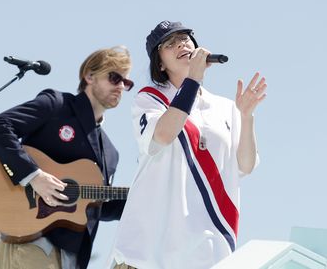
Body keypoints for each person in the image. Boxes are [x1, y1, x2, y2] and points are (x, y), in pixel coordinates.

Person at [108, 21, 267, 269]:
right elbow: (162, 135)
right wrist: (193, 79)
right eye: (170, 43)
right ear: (160, 63)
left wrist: (246, 117)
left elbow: (245, 166)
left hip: (206, 256)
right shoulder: (150, 98)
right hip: (146, 255)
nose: (181, 44)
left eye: (185, 38)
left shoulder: (226, 107)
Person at [0, 46, 134, 269]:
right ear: (89, 76)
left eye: (126, 83)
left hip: (72, 254)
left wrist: (141, 200)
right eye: (114, 78)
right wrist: (35, 176)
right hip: (30, 239)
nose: (121, 86)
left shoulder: (111, 153)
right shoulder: (57, 105)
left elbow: (96, 206)